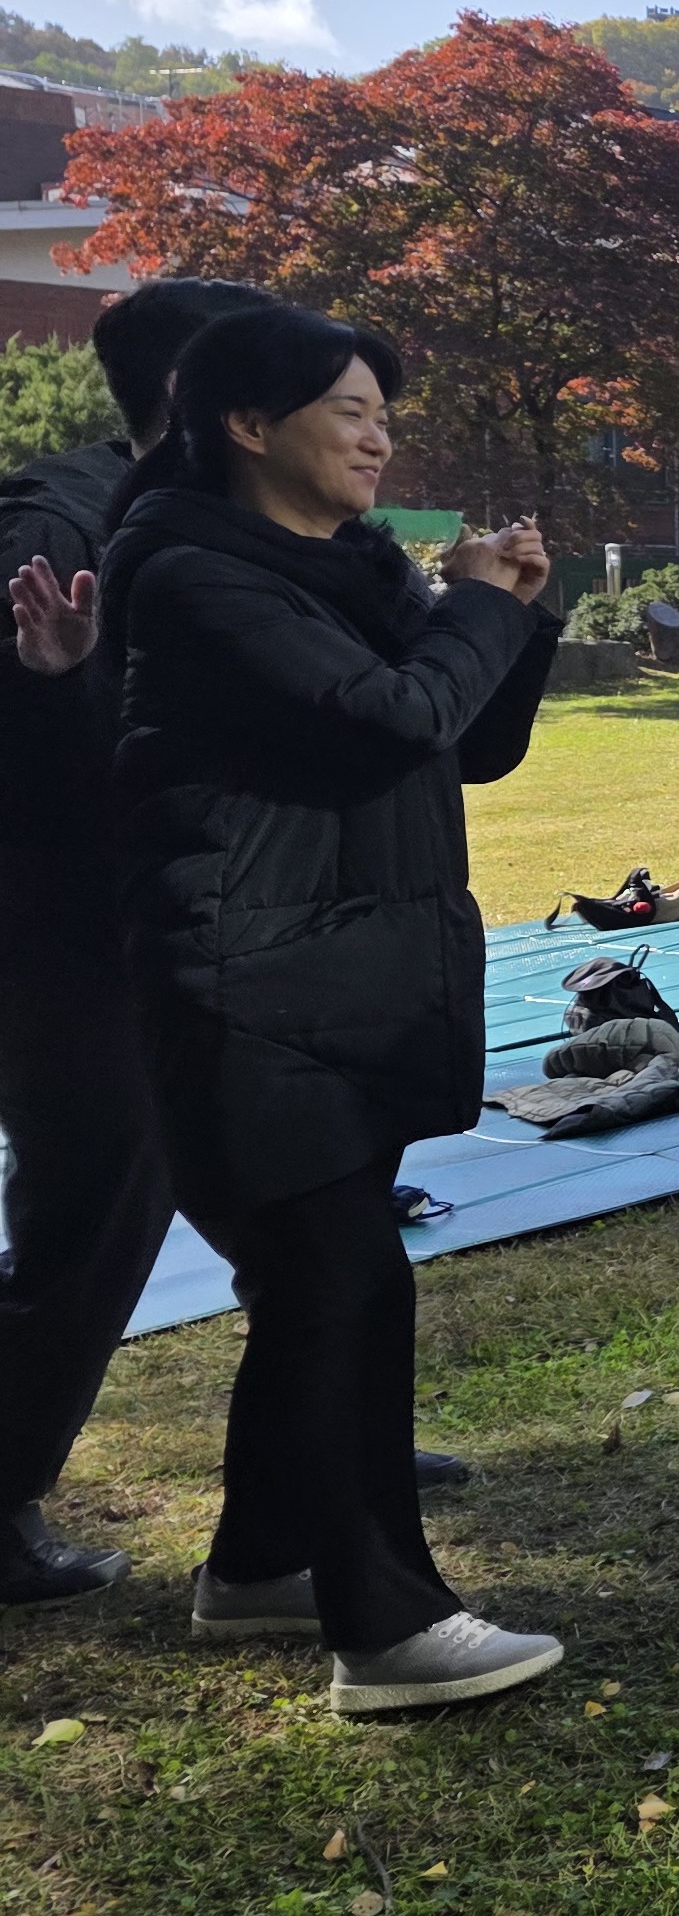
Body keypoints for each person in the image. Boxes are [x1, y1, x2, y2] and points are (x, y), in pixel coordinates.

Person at [90, 305, 564, 1713]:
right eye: (349, 411)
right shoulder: (190, 574)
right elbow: (387, 720)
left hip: (350, 974)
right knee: (344, 1284)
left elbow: (467, 737)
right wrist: (473, 609)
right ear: (248, 426)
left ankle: (260, 1565)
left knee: (320, 1291)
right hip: (242, 985)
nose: (378, 438)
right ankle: (387, 1626)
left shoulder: (351, 568)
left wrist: (515, 611)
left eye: (383, 414)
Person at [0, 277, 278, 1605]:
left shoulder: (234, 516)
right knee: (96, 1203)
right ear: (197, 397)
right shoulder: (55, 525)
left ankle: (320, 1433)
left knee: (293, 1183)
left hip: (216, 921)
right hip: (73, 941)